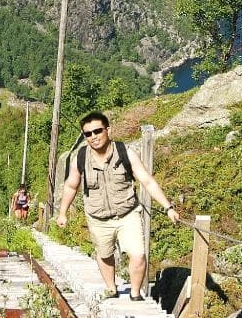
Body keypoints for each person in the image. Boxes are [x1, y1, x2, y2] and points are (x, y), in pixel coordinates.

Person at [55, 111, 180, 302]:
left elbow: (147, 181)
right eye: (87, 134)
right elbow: (71, 185)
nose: (93, 137)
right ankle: (111, 288)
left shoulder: (125, 153)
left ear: (108, 130)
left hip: (128, 214)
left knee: (138, 255)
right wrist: (62, 213)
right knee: (105, 255)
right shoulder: (80, 158)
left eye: (97, 131)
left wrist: (168, 207)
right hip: (98, 218)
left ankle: (135, 294)